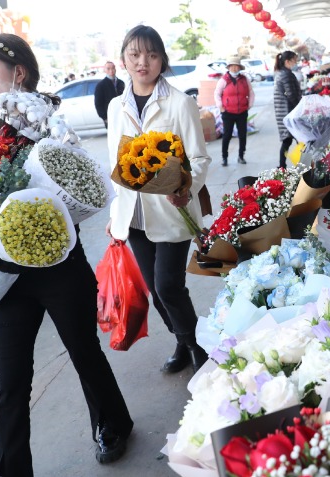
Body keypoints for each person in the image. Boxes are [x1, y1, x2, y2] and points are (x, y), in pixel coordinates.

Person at [0, 33, 134, 475]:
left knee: (85, 352)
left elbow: (80, 196)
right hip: (4, 275)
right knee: (9, 384)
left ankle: (112, 423)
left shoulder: (53, 131)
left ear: (18, 71)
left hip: (57, 269)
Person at [105, 25, 211, 375]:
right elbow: (115, 164)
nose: (142, 62)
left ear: (162, 60)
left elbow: (198, 158)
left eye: (151, 55)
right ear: (123, 60)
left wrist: (186, 188)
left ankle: (198, 348)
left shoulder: (180, 103)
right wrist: (115, 212)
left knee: (169, 286)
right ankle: (182, 340)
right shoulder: (115, 106)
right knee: (156, 289)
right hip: (133, 215)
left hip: (171, 210)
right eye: (134, 54)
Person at [214, 55, 254, 166]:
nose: (234, 69)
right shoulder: (224, 80)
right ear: (229, 67)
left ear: (240, 67)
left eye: (237, 66)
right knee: (227, 135)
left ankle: (241, 156)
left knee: (242, 135)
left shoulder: (244, 79)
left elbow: (251, 92)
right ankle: (224, 158)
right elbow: (217, 93)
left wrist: (249, 104)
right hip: (228, 113)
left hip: (242, 112)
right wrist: (220, 106)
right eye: (232, 66)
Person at [273, 50, 301, 169]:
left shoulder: (283, 72)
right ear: (287, 61)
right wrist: (301, 107)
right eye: (294, 60)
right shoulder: (286, 74)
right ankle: (302, 165)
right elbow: (291, 95)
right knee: (300, 139)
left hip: (285, 111)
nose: (296, 63)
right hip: (288, 111)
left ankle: (282, 167)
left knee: (288, 140)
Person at [94, 61, 125, 128]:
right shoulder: (101, 85)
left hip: (123, 117)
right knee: (115, 138)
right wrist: (105, 118)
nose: (111, 70)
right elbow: (98, 104)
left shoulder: (121, 83)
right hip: (110, 118)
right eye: (108, 68)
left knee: (126, 138)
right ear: (104, 70)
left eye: (113, 68)